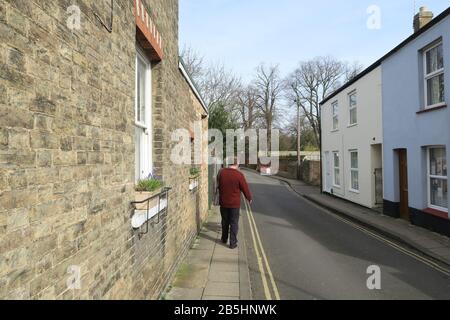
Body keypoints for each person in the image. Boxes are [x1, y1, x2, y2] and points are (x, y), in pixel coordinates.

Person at [217, 157, 253, 249]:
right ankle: (232, 243)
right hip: (234, 204)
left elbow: (218, 185)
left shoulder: (221, 172)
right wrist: (249, 198)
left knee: (224, 221)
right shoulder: (239, 175)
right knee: (234, 223)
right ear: (237, 164)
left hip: (223, 202)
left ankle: (224, 239)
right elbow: (245, 188)